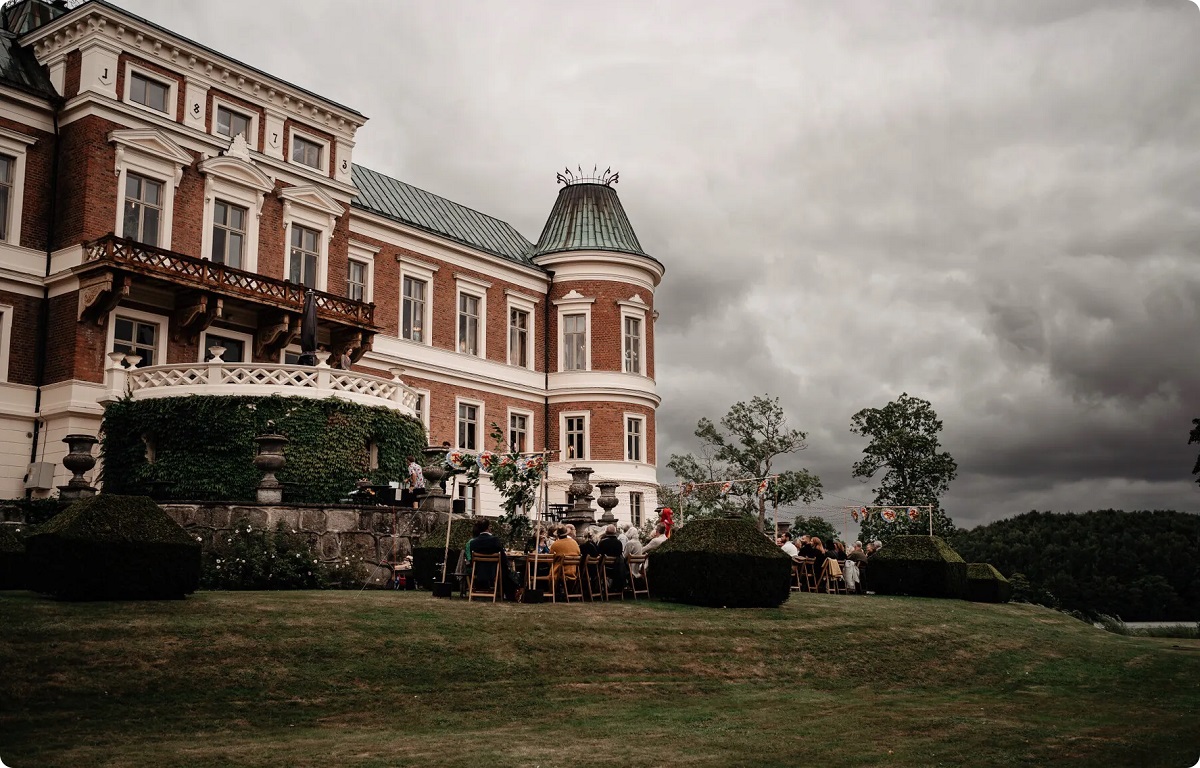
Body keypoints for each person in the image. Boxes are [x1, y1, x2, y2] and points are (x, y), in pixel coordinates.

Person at [466, 518, 518, 600]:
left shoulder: (473, 543)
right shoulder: (494, 540)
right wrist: (508, 565)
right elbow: (503, 556)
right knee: (508, 572)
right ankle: (509, 594)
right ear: (488, 528)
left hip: (478, 571)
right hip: (494, 570)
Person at [598, 523, 626, 593]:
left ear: (606, 532)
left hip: (605, 568)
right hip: (617, 567)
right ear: (615, 532)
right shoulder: (619, 543)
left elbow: (599, 554)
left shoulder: (603, 542)